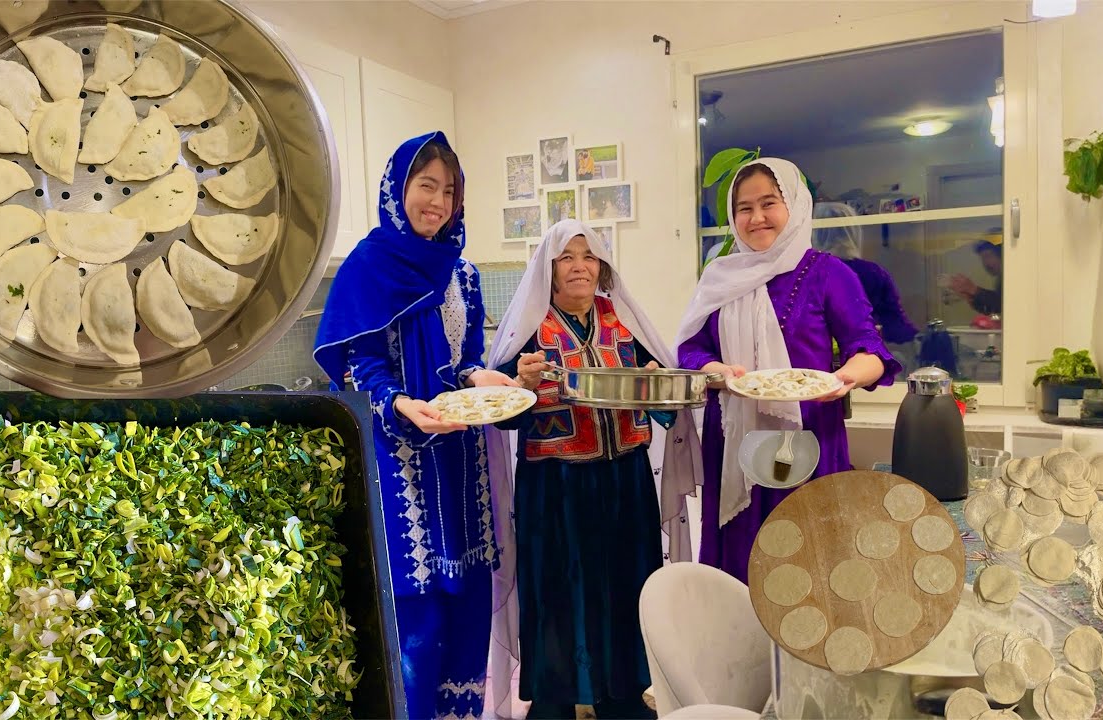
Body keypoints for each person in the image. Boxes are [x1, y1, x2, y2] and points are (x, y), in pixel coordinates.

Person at [313, 132, 515, 720]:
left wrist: (482, 379)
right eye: (426, 186)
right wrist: (398, 402)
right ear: (398, 189)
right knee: (416, 607)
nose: (438, 202)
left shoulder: (464, 273)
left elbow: (467, 355)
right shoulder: (368, 267)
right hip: (400, 457)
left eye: (449, 190)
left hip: (461, 453)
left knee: (466, 596)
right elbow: (358, 363)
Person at [484, 220, 702, 720]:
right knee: (559, 593)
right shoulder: (530, 331)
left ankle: (623, 694)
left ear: (602, 267)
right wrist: (521, 382)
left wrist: (657, 380)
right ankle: (556, 699)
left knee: (627, 586)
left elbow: (666, 403)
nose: (579, 265)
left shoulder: (621, 323)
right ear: (550, 271)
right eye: (567, 257)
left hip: (624, 481)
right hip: (556, 487)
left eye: (588, 256)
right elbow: (502, 412)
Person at [676, 158, 901, 584]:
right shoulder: (720, 277)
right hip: (734, 438)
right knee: (740, 560)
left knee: (805, 560)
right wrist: (717, 370)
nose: (756, 217)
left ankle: (799, 651)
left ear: (794, 207)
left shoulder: (828, 273)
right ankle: (743, 650)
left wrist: (845, 377)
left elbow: (870, 349)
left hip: (807, 435)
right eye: (744, 208)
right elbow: (689, 349)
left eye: (768, 203)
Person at [812, 201, 919, 345]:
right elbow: (898, 328)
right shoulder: (874, 273)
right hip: (864, 356)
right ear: (854, 231)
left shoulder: (806, 275)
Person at [947, 239, 1003, 315]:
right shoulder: (1001, 278)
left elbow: (1005, 304)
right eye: (983, 258)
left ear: (1002, 254)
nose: (986, 263)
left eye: (988, 256)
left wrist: (973, 289)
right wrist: (970, 297)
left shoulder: (1014, 276)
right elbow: (994, 309)